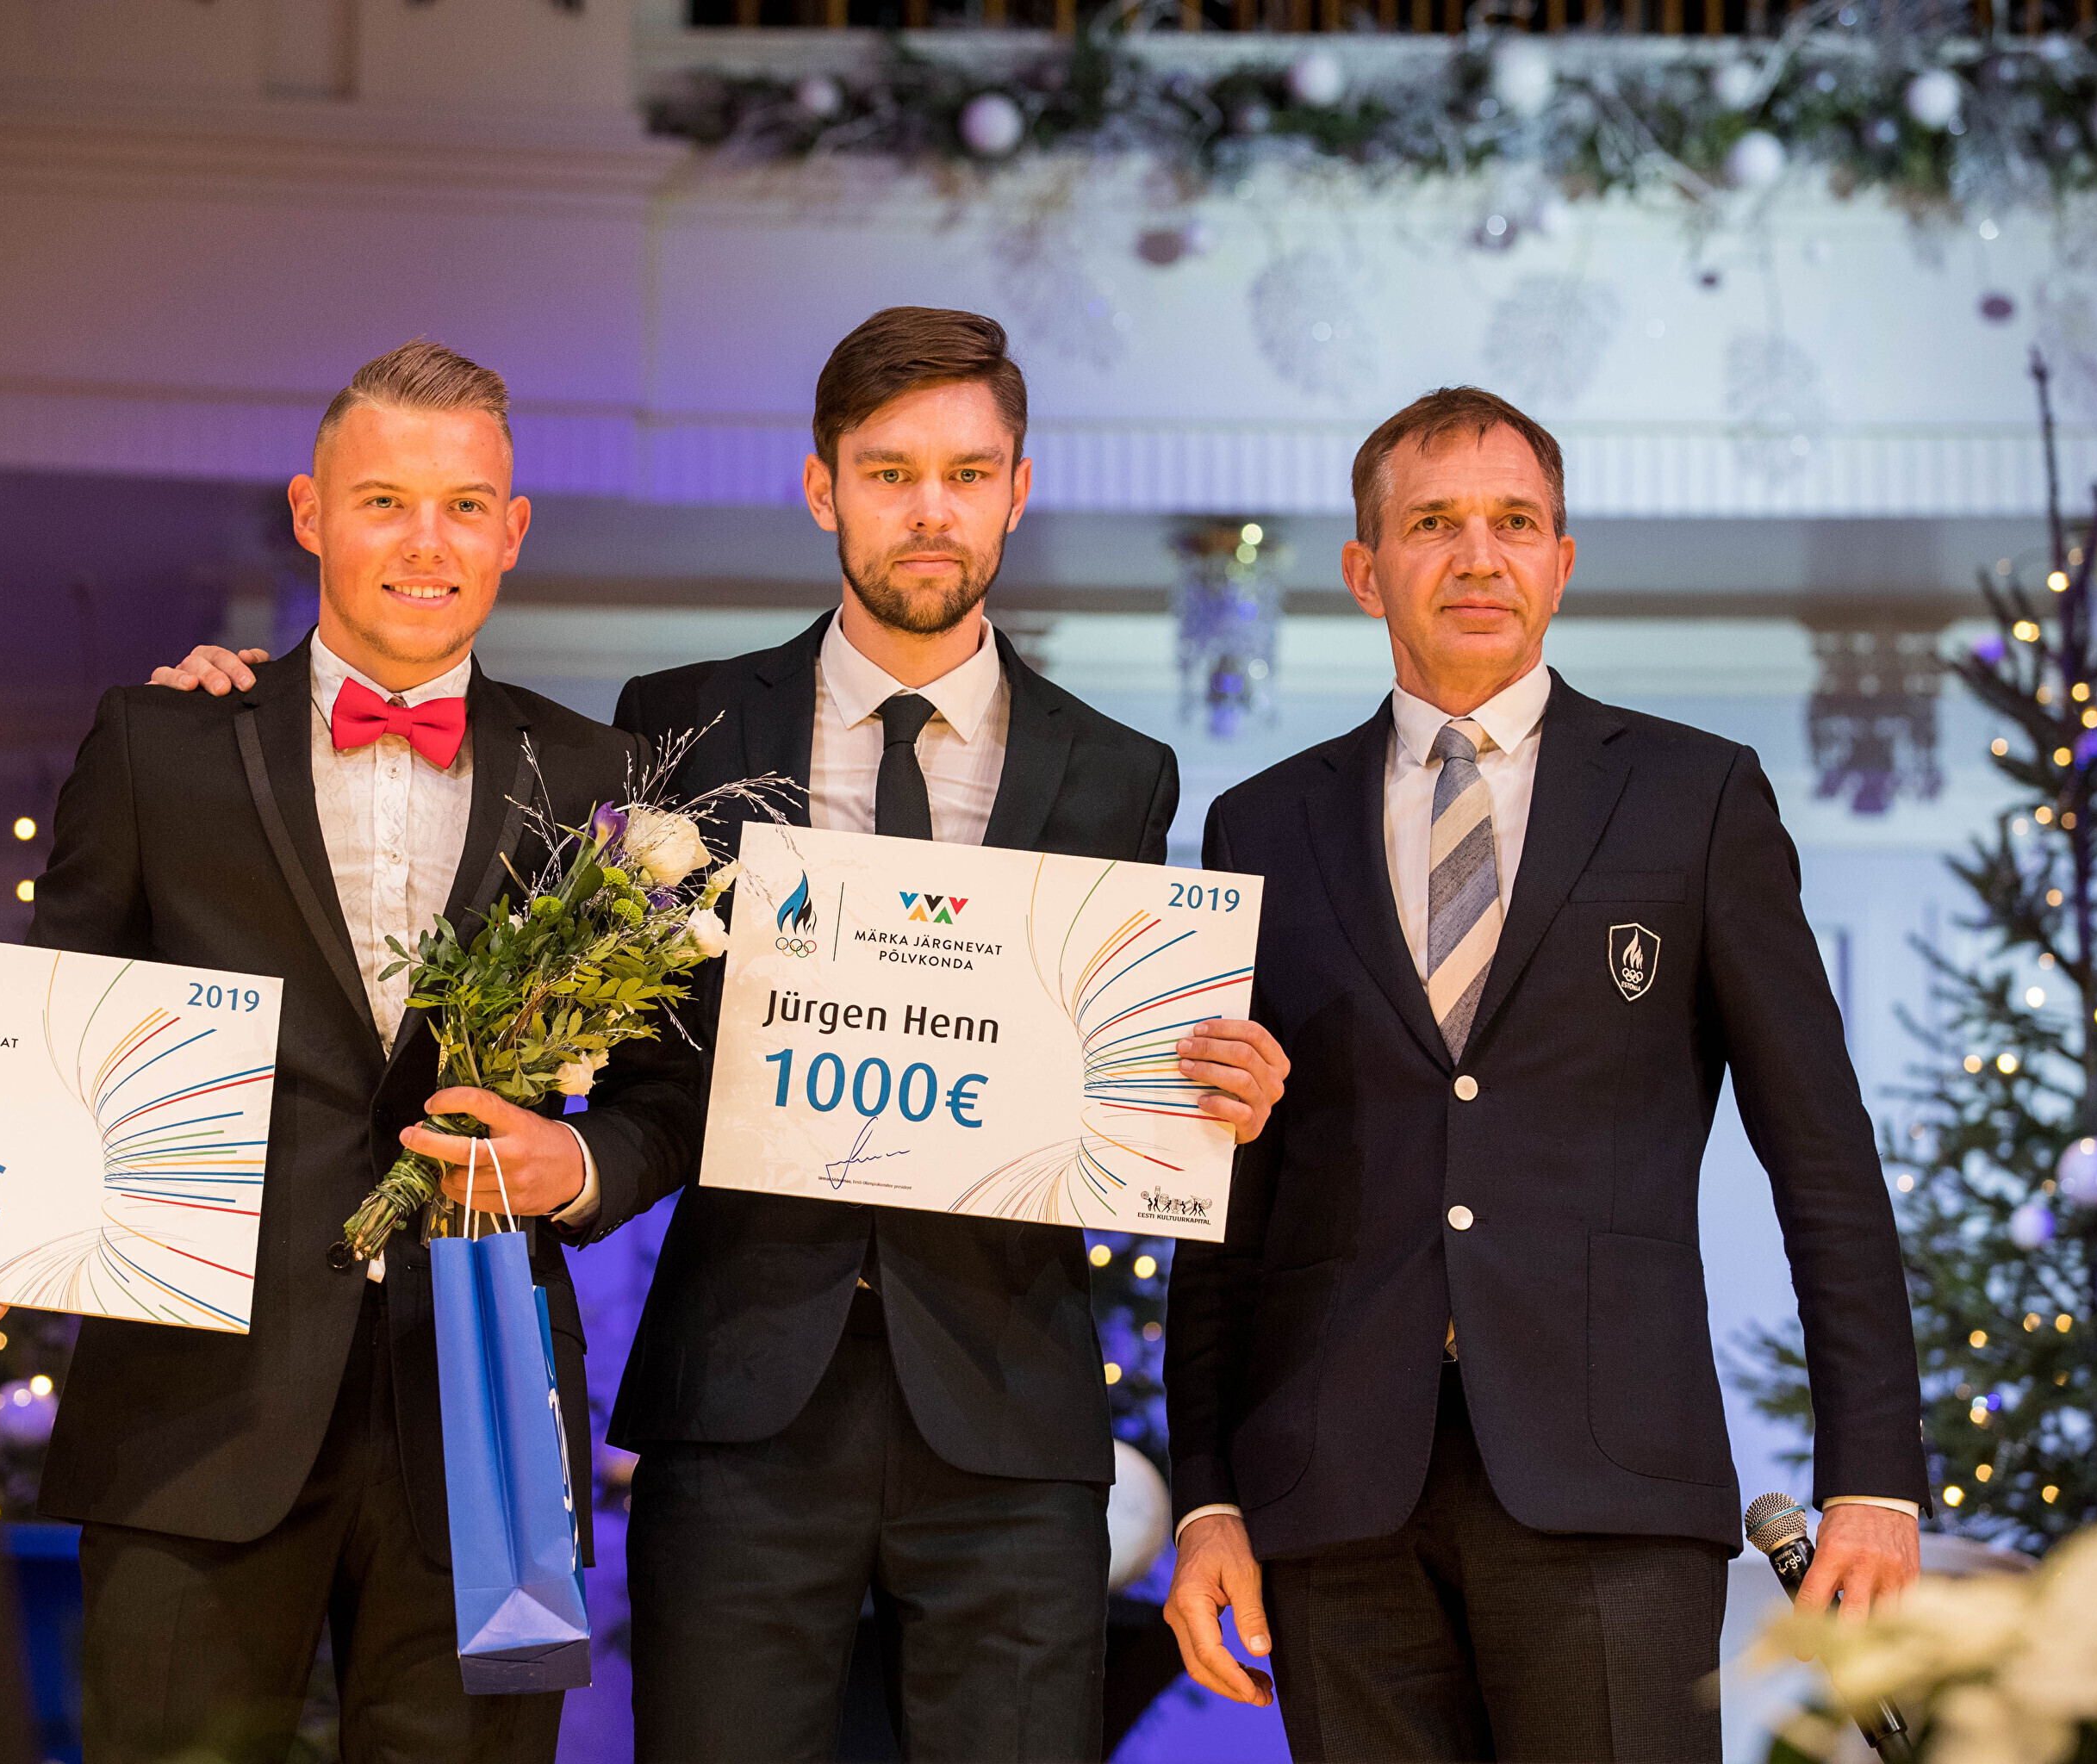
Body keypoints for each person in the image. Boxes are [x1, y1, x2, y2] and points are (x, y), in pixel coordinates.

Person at [157, 306, 1291, 1761]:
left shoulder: (1122, 774)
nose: (929, 510)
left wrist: (1210, 1095)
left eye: (966, 474)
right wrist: (242, 704)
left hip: (1011, 1416)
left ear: (1018, 490)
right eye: (889, 473)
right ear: (823, 489)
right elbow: (650, 1075)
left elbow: (1112, 1085)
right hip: (740, 1403)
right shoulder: (674, 729)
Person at [0, 339, 700, 1764]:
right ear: (311, 513)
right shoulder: (160, 743)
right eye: (384, 501)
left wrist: (574, 1165)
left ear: (512, 529)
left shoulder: (601, 780)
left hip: (493, 1428)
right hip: (191, 1411)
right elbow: (45, 1039)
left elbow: (669, 1093)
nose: (427, 542)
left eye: (464, 506)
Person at [1158, 387, 1927, 1763]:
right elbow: (1226, 1193)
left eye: (1515, 523)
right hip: (1335, 1503)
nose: (1478, 557)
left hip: (1613, 1492)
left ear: (1561, 562)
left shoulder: (1695, 798)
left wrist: (1873, 1474)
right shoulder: (1261, 825)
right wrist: (1208, 1497)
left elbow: (1822, 1152)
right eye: (1433, 524)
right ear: (1365, 570)